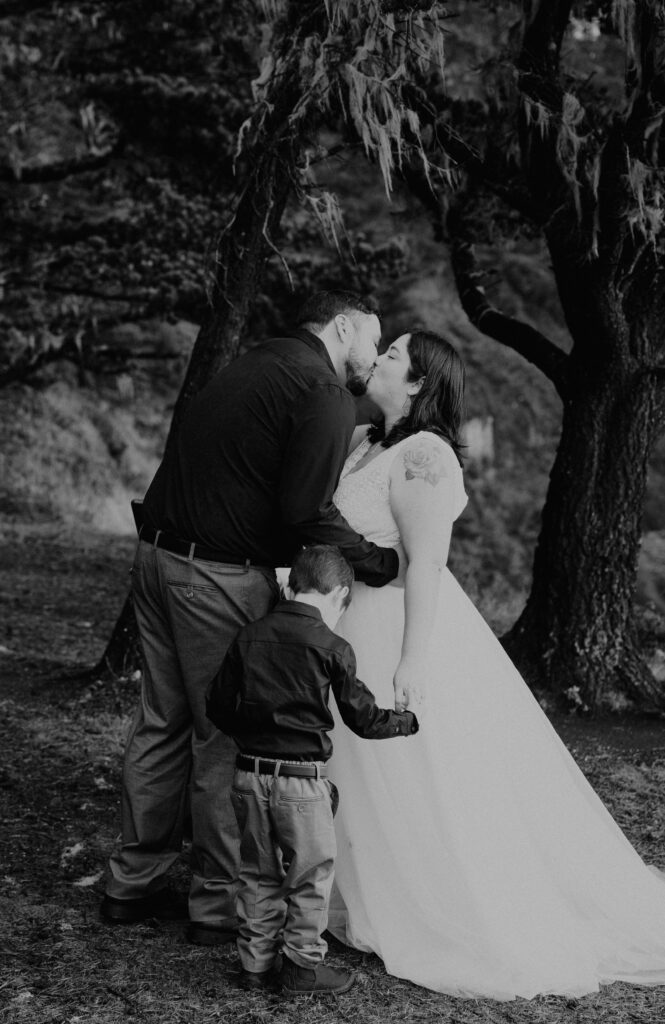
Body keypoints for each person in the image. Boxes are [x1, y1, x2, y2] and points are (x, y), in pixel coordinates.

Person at [320, 328, 665, 1000]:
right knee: (352, 768)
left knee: (412, 772)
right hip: (345, 617)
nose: (381, 358)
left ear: (419, 383)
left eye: (393, 355)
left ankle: (432, 899)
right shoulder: (366, 443)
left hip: (394, 624)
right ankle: (345, 888)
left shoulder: (425, 455)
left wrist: (413, 656)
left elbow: (425, 561)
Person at [100, 291, 400, 946]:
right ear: (341, 326)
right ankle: (214, 905)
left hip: (155, 558)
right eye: (372, 342)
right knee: (225, 737)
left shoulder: (254, 362)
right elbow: (305, 515)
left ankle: (130, 884)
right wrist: (376, 562)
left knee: (162, 721)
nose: (373, 359)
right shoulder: (321, 389)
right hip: (215, 576)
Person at [206, 545, 418, 995]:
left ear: (289, 584)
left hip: (248, 774)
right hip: (301, 785)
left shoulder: (249, 636)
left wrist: (256, 732)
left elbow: (217, 706)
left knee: (257, 872)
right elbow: (362, 719)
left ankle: (254, 965)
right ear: (341, 592)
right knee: (310, 874)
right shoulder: (332, 646)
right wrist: (406, 721)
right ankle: (302, 967)